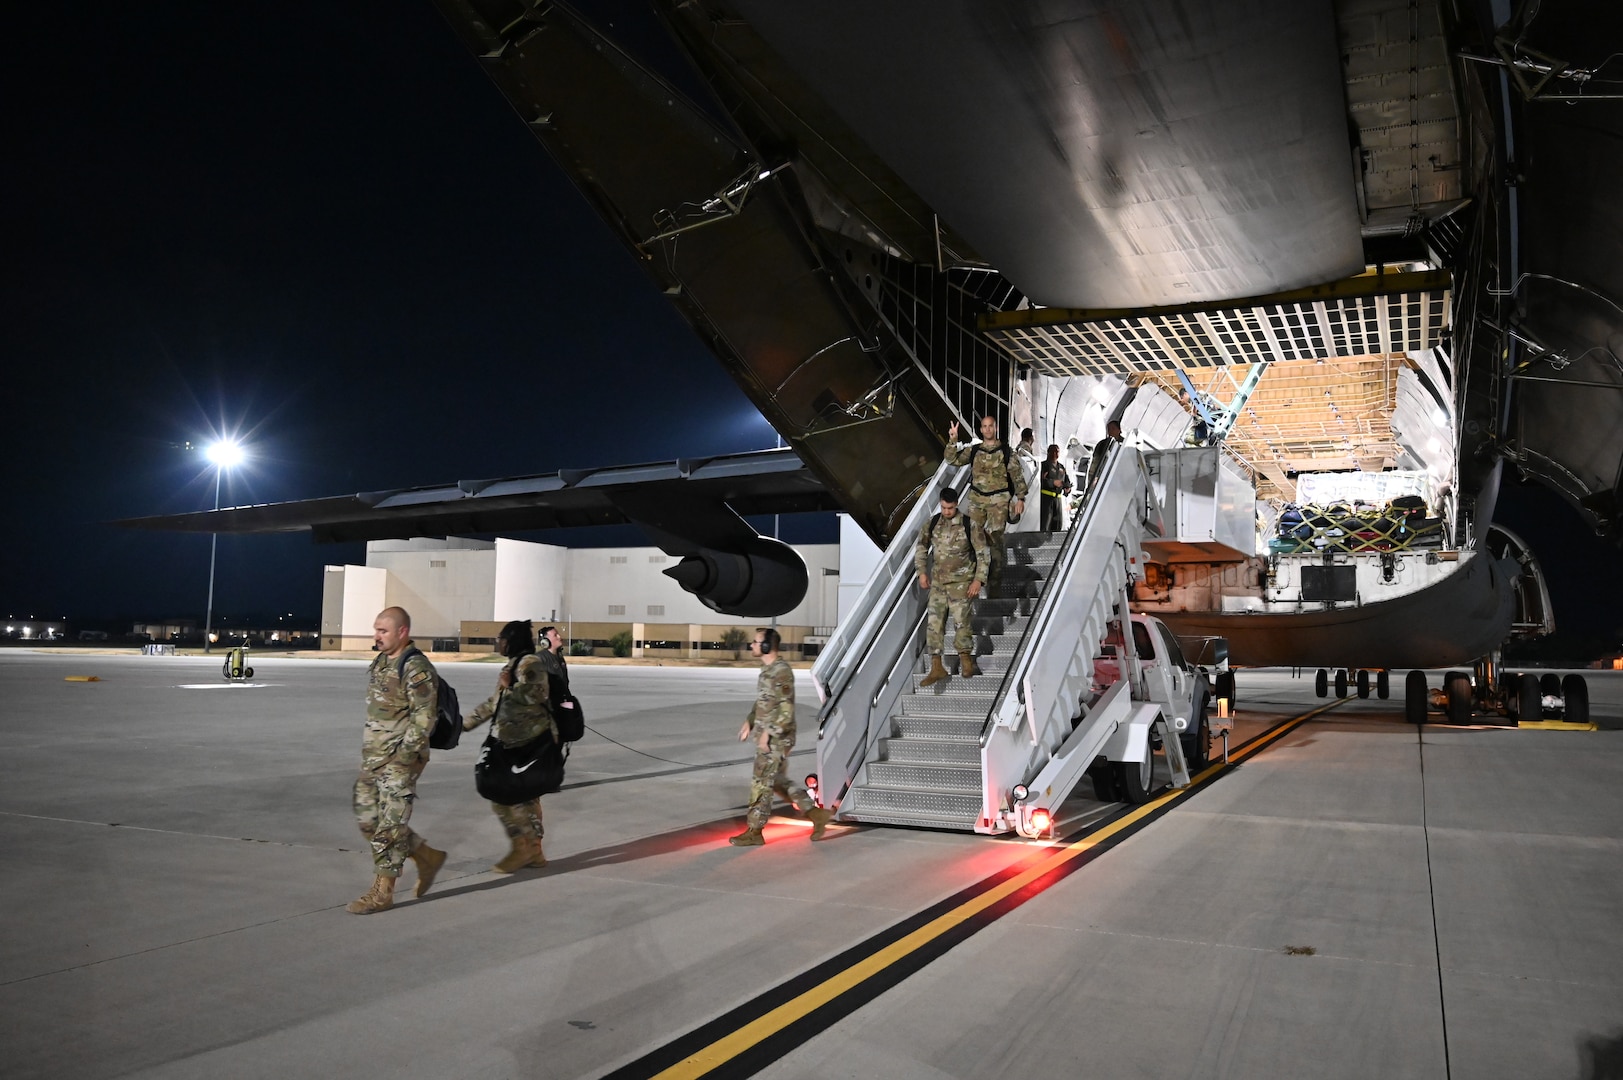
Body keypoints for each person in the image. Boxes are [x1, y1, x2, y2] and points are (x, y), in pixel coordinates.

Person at [348, 606, 446, 915]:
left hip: (399, 761)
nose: (376, 636)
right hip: (373, 759)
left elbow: (425, 717)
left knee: (390, 828)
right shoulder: (381, 660)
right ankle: (427, 856)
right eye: (376, 629)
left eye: (383, 630)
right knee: (368, 821)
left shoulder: (416, 668)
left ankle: (382, 893)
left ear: (402, 632)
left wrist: (404, 758)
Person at [463, 619, 554, 872]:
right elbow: (495, 702)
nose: (498, 642)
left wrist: (509, 687)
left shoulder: (530, 664)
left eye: (502, 638)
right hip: (514, 742)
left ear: (512, 640)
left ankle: (523, 848)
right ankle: (533, 852)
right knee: (525, 798)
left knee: (505, 795)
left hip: (526, 744)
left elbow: (537, 694)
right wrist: (463, 725)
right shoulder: (513, 665)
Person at [730, 627, 833, 847]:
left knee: (761, 782)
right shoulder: (767, 671)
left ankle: (754, 831)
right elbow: (763, 702)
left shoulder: (782, 671)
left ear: (767, 646)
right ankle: (816, 814)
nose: (752, 645)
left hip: (777, 738)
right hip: (769, 736)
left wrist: (767, 734)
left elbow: (786, 711)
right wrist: (749, 720)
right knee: (777, 782)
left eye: (756, 642)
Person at [944, 415, 1027, 591]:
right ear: (981, 430)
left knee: (995, 538)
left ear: (995, 428)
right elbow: (953, 460)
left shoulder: (1006, 451)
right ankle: (975, 576)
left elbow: (1016, 474)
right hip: (977, 500)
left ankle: (994, 581)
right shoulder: (974, 450)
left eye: (991, 426)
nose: (988, 429)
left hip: (999, 501)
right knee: (974, 538)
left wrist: (1020, 498)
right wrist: (953, 441)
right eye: (984, 426)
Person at [915, 486, 988, 687]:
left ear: (956, 504)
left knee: (961, 622)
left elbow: (983, 553)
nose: (947, 512)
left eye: (950, 508)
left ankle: (966, 660)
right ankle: (936, 666)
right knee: (934, 624)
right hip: (938, 583)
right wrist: (921, 572)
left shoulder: (968, 524)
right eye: (944, 508)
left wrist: (978, 580)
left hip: (962, 582)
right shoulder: (932, 524)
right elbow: (921, 547)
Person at [1040, 444, 1073, 531]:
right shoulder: (1043, 465)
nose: (1055, 453)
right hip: (1046, 499)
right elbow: (1040, 481)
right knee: (1045, 524)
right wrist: (1053, 482)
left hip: (1057, 499)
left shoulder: (1061, 467)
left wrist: (1067, 489)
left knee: (1057, 524)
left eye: (1057, 451)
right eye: (1053, 451)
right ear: (1048, 452)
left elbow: (1066, 481)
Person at [1087, 420, 1124, 493]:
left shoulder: (1125, 444)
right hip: (1102, 476)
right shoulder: (1102, 444)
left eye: (1113, 428)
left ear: (1119, 430)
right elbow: (1095, 462)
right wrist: (1093, 478)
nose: (1110, 431)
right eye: (1109, 429)